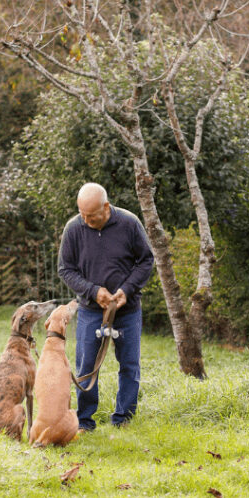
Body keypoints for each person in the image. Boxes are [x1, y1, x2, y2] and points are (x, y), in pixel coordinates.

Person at [58, 183, 154, 430]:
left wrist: (126, 290)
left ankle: (123, 419)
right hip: (91, 310)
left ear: (106, 207)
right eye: (82, 214)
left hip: (127, 309)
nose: (86, 220)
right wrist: (93, 290)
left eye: (91, 215)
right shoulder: (74, 228)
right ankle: (84, 421)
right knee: (86, 366)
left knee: (129, 365)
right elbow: (65, 269)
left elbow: (146, 261)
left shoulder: (129, 223)